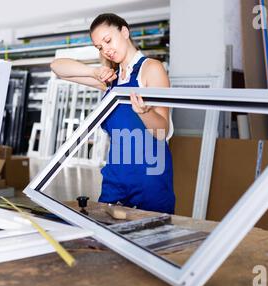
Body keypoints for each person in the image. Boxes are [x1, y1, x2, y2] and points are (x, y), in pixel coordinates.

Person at [51, 13, 175, 214]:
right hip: (115, 178)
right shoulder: (111, 80)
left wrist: (144, 113)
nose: (106, 49)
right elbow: (57, 67)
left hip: (150, 180)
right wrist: (93, 72)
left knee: (152, 240)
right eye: (100, 47)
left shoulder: (151, 68)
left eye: (108, 40)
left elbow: (162, 130)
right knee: (104, 240)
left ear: (124, 32)